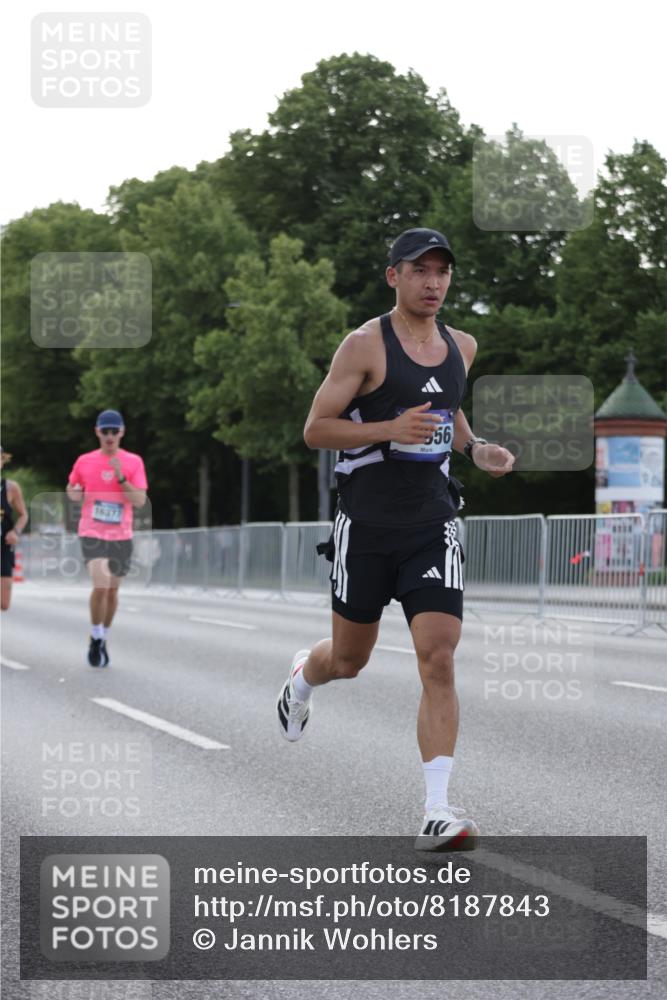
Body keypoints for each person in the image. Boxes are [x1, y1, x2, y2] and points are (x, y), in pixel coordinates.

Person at [276, 228, 514, 851]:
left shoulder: (462, 345)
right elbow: (316, 430)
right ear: (395, 277)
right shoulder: (363, 345)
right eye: (420, 271)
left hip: (433, 521)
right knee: (348, 661)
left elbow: (448, 410)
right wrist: (388, 429)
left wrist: (475, 447)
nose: (433, 282)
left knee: (438, 656)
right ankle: (304, 676)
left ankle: (437, 811)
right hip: (367, 523)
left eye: (442, 272)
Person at [66, 410, 147, 667]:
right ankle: (96, 635)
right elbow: (72, 489)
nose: (110, 436)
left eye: (114, 431)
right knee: (100, 585)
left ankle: (103, 637)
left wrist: (121, 476)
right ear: (97, 432)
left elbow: (139, 500)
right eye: (105, 431)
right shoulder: (84, 461)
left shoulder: (133, 462)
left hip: (121, 535)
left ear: (122, 432)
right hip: (92, 531)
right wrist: (74, 492)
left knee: (112, 592)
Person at [1, 447, 28, 611]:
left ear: (2, 462)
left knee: (3, 604)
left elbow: (23, 515)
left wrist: (15, 531)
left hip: (3, 547)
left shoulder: (10, 488)